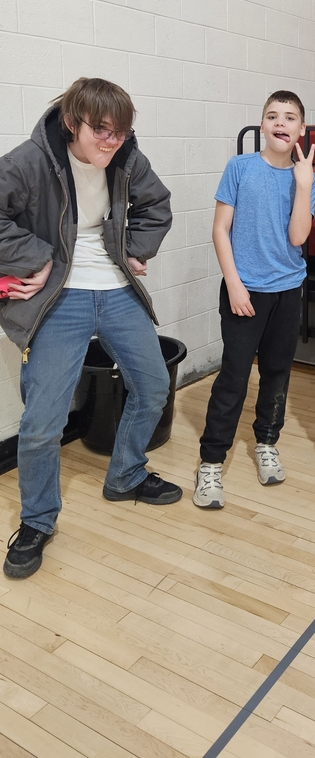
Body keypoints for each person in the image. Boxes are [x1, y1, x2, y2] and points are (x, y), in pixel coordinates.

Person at [1, 78, 182, 579]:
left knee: (153, 387)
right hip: (60, 298)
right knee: (42, 423)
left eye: (120, 133)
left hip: (116, 290)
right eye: (101, 131)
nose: (111, 142)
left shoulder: (128, 158)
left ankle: (125, 474)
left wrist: (135, 248)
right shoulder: (29, 162)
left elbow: (157, 206)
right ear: (71, 123)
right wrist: (35, 258)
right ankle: (37, 521)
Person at [193, 90, 315, 509]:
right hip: (243, 291)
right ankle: (211, 463)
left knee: (278, 374)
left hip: (287, 291)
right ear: (262, 125)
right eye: (272, 116)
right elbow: (219, 229)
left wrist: (303, 186)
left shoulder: (308, 178)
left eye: (289, 117)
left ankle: (266, 442)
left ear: (302, 128)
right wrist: (233, 283)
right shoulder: (240, 167)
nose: (280, 123)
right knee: (233, 377)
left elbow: (299, 238)